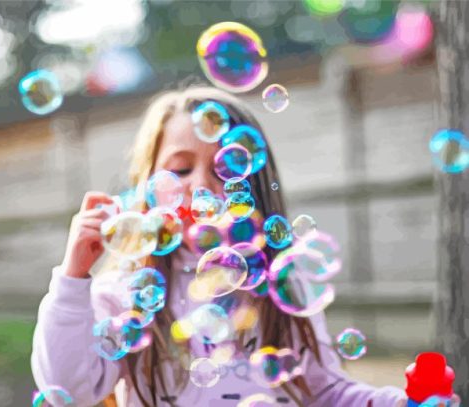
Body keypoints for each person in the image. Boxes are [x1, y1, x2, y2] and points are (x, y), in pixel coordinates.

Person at [31, 86, 408, 407]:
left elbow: (327, 392)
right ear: (148, 184)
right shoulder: (125, 293)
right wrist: (72, 278)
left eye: (226, 168)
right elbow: (68, 389)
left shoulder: (283, 284)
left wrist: (399, 402)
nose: (202, 185)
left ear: (255, 182)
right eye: (180, 170)